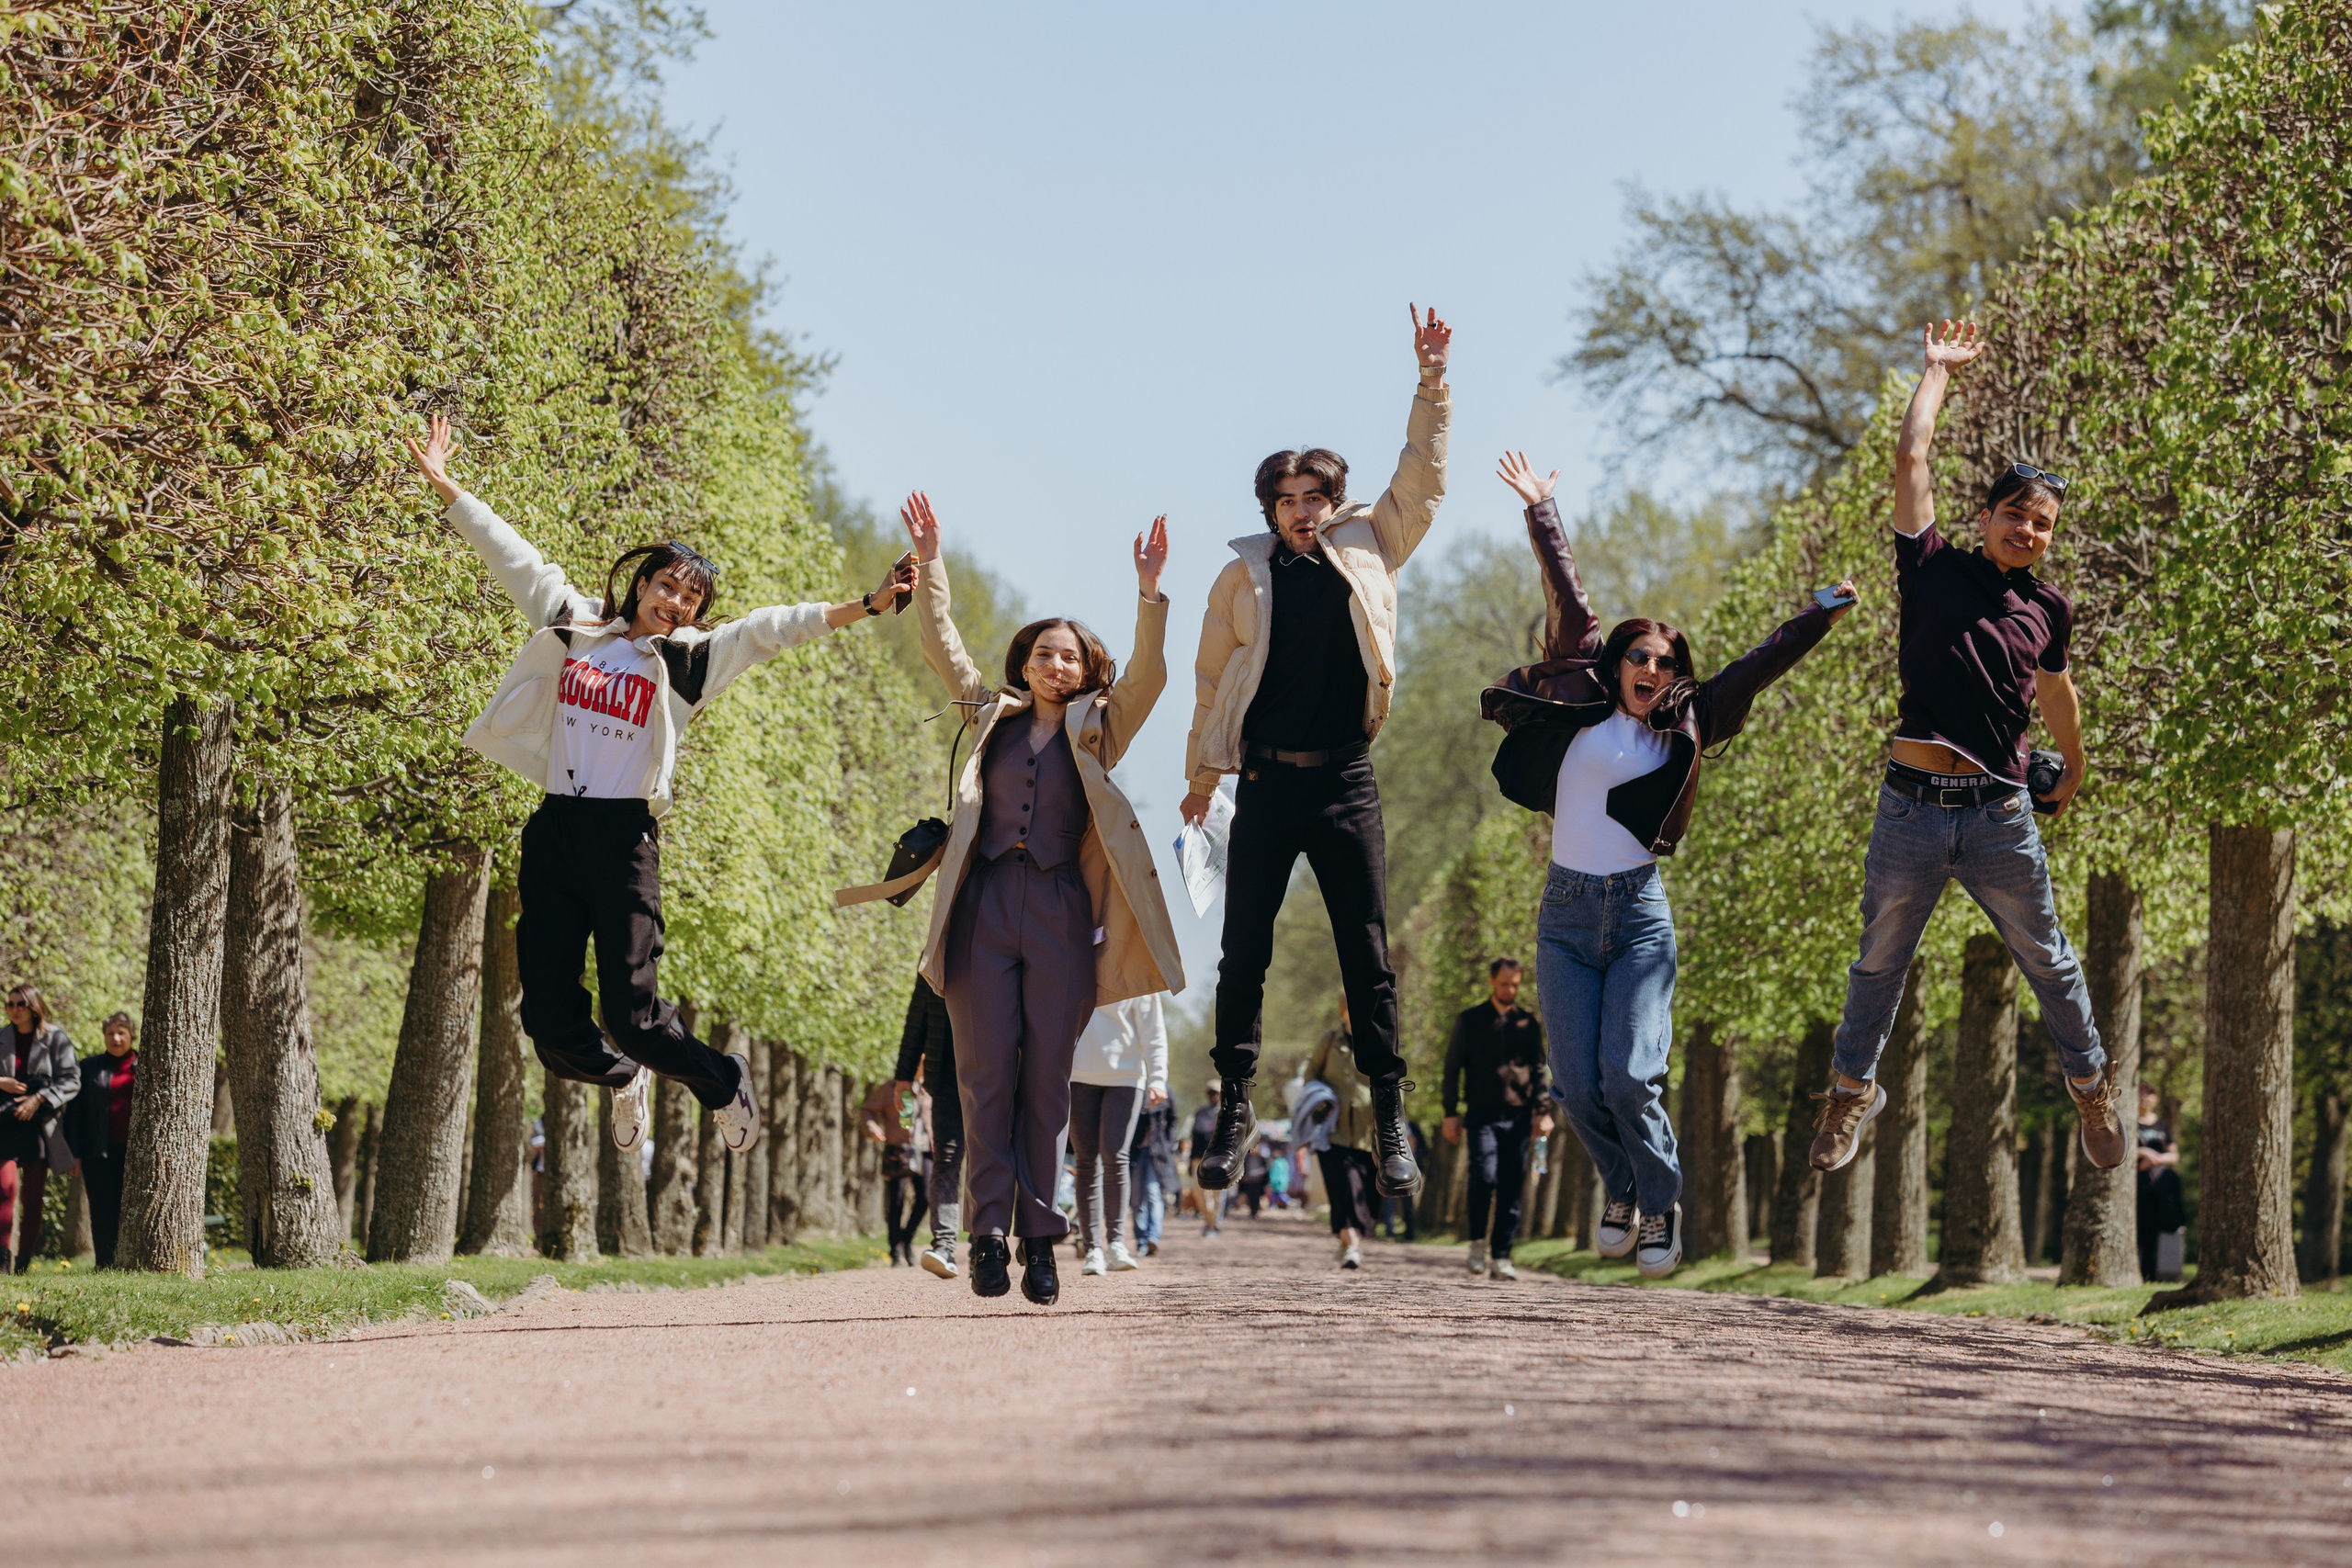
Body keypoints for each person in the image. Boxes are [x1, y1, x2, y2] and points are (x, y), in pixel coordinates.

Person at [406, 416, 916, 1160]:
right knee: (548, 1026)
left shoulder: (691, 662)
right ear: (641, 583)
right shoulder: (577, 625)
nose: (675, 601)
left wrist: (866, 606)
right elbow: (515, 558)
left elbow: (777, 626)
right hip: (555, 828)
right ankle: (623, 1080)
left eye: (690, 598)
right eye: (667, 584)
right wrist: (449, 488)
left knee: (636, 1015)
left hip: (623, 843)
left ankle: (720, 1079)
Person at [1484, 450, 1854, 1279]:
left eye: (1665, 662)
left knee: (1629, 1077)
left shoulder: (1689, 722)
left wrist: (1819, 613)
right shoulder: (1580, 697)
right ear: (1615, 663)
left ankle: (1660, 1204)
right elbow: (1570, 594)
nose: (1652, 670)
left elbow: (1762, 661)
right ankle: (1623, 1188)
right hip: (1567, 918)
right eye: (1639, 657)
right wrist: (1542, 509)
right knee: (1579, 1089)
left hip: (1641, 917)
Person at [1805, 322, 2126, 1179]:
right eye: (2017, 513)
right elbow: (1912, 459)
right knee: (1878, 962)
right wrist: (1937, 374)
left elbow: (2057, 692)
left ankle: (2090, 1082)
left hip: (1998, 814)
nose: (2028, 529)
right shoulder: (1931, 565)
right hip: (1910, 806)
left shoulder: (2048, 608)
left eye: (2043, 523)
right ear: (1986, 515)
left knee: (2049, 959)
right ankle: (1849, 1091)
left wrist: (2078, 765)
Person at [1181, 305, 1453, 1203]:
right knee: (1243, 952)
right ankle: (1229, 1112)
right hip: (1263, 781)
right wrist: (1198, 782)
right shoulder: (1239, 577)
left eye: (1314, 499)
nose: (1302, 512)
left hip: (1343, 779)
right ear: (1270, 508)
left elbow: (1422, 476)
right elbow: (1212, 684)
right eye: (1286, 500)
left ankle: (1390, 1111)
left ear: (1334, 504)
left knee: (1365, 954)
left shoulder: (1372, 546)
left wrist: (1430, 382)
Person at [899, 492, 1183, 1308]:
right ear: (1025, 661)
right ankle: (987, 1237)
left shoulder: (1102, 727)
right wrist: (931, 563)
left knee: (1046, 1085)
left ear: (1088, 669)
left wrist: (1150, 590)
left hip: (1063, 914)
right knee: (987, 1079)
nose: (1056, 665)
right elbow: (941, 645)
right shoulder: (990, 717)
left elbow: (1154, 673)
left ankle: (1043, 1238)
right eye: (1044, 653)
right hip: (983, 907)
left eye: (1071, 657)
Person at [1442, 957, 1552, 1280]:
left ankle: (1502, 1255)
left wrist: (1542, 1111)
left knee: (1510, 1185)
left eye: (1515, 984)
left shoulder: (1528, 1023)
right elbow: (1452, 1069)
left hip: (1518, 1117)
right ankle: (1477, 1244)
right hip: (1480, 1115)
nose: (1510, 989)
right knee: (1484, 1176)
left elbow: (1539, 1069)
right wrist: (1450, 1112)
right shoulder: (1470, 1020)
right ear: (1492, 981)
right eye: (1505, 983)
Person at [1068, 992, 1169, 1276]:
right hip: (1078, 1073)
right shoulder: (1072, 955)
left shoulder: (1136, 963)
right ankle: (1092, 1249)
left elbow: (1153, 1028)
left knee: (1115, 1155)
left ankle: (1115, 1244)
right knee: (1086, 1161)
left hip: (1126, 1076)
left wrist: (1158, 1077)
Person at [882, 976, 965, 1279]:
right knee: (946, 1162)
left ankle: (988, 1245)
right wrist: (903, 1074)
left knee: (990, 1160)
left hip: (995, 1073)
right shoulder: (934, 952)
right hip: (944, 1076)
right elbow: (917, 1017)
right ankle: (942, 1245)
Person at [0, 985, 79, 1272]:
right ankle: (1, 1261)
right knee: (4, 1191)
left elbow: (72, 1080)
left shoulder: (56, 1038)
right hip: (5, 1124)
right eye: (10, 1004)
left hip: (40, 1127)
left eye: (20, 1004)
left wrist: (39, 1098)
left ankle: (22, 1264)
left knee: (33, 1200)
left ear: (34, 1006)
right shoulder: (1, 1036)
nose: (14, 1009)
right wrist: (2, 1082)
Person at [1306, 998, 1381, 1270]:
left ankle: (1348, 1239)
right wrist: (1321, 1101)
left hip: (1368, 1132)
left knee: (1367, 1194)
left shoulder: (1377, 1038)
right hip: (1333, 1131)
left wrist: (1399, 1125)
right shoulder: (1328, 1042)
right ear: (1342, 1011)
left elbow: (1390, 1082)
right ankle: (1352, 1244)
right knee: (1344, 1189)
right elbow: (1310, 1076)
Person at [63, 1012, 136, 1268]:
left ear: (131, 1035)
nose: (115, 1038)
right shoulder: (88, 1068)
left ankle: (131, 1263)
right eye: (110, 1033)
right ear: (104, 1036)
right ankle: (105, 1264)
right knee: (102, 1212)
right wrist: (73, 1152)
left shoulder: (145, 1065)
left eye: (121, 1032)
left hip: (136, 1155)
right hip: (98, 1152)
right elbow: (74, 1114)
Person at [2136, 1084, 2187, 1282]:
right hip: (2141, 1187)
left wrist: (2156, 1158)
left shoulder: (2163, 1125)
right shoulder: (2131, 1124)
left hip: (2162, 1188)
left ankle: (2164, 1274)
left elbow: (2174, 1155)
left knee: (2163, 1229)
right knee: (2144, 1231)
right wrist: (2143, 1153)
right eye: (2141, 1095)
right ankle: (2144, 1274)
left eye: (2149, 1095)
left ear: (2155, 1099)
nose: (2145, 1099)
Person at [1128, 1090, 1177, 1257]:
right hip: (1134, 1152)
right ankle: (1141, 1241)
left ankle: (1152, 1238)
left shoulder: (1165, 1090)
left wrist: (1168, 1144)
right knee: (1135, 1198)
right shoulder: (1134, 1086)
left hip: (1157, 1154)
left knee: (1153, 1192)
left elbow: (1173, 1120)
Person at [1185, 1082, 1228, 1238]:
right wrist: (1191, 1160)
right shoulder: (1200, 1113)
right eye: (1211, 1093)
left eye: (1216, 1093)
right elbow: (1194, 1137)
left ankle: (1215, 1224)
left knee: (1218, 1194)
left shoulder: (1227, 1114)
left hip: (1220, 1158)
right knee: (1199, 1193)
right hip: (1199, 1158)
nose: (1213, 1096)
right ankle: (1209, 1219)